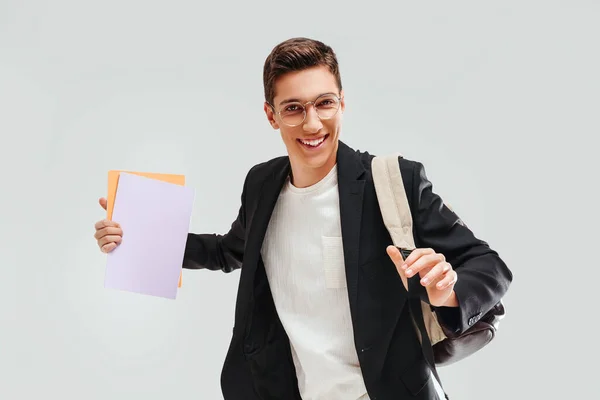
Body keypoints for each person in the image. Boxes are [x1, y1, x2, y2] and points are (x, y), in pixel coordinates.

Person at [93, 37, 513, 400]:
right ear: (271, 115)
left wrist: (450, 292)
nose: (312, 123)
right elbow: (231, 250)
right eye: (293, 108)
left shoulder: (392, 180)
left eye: (324, 103)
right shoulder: (262, 183)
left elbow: (491, 266)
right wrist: (141, 237)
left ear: (342, 103)